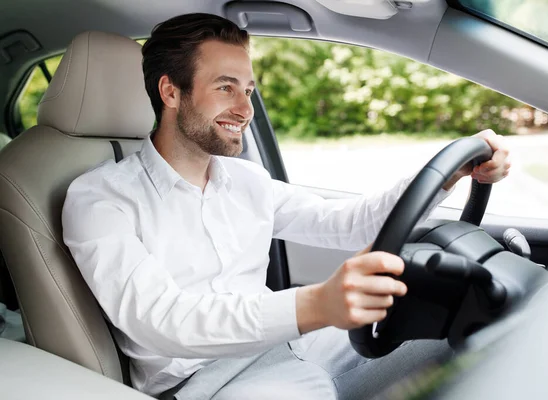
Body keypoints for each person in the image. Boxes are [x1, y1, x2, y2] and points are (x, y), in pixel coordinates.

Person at [62, 13, 511, 400]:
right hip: (207, 385)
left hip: (293, 346)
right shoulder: (100, 198)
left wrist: (448, 174)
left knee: (473, 329)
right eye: (225, 88)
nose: (245, 108)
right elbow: (161, 321)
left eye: (249, 89)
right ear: (171, 92)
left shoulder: (246, 180)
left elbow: (347, 225)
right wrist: (314, 304)